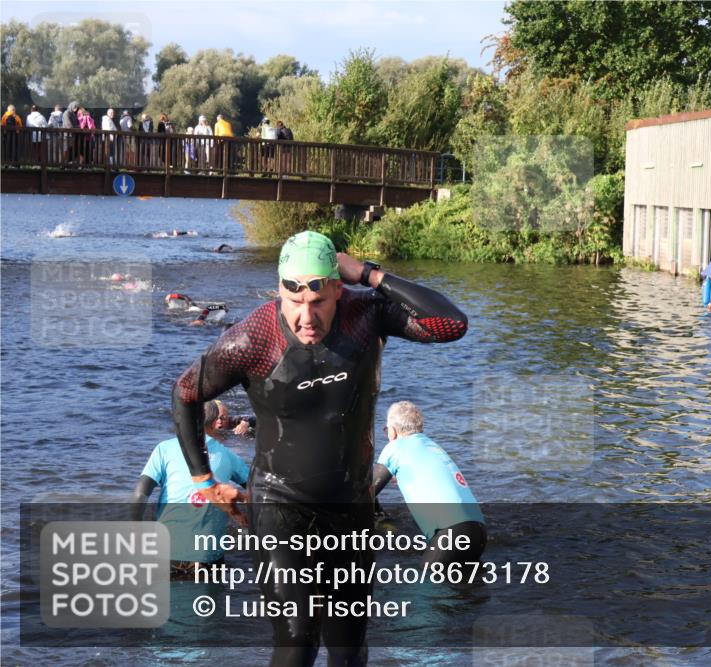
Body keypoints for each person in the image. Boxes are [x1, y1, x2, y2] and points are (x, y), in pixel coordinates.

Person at [171, 231, 468, 665]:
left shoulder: (365, 316)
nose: (305, 318)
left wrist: (370, 274)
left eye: (318, 302)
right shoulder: (252, 338)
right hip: (279, 506)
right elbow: (184, 395)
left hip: (350, 509)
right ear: (280, 292)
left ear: (337, 289)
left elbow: (451, 325)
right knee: (297, 642)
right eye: (294, 303)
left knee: (348, 649)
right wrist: (205, 480)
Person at [131, 400, 250, 579]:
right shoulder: (228, 455)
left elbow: (140, 495)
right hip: (207, 557)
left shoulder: (164, 449)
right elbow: (258, 489)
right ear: (213, 422)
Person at [372, 401, 486, 566]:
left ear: (393, 431)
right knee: (468, 588)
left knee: (426, 586)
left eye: (386, 429)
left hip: (452, 533)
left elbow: (366, 493)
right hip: (479, 532)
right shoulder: (432, 446)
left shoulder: (395, 447)